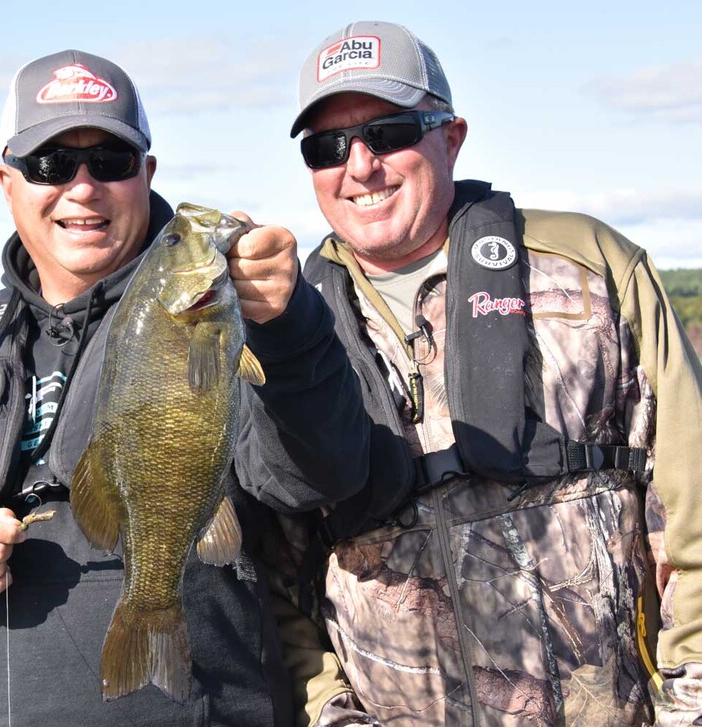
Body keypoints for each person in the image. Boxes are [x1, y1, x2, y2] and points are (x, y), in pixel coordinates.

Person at [0, 49, 369, 726]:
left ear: (146, 174)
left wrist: (289, 328)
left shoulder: (235, 317)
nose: (83, 188)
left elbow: (322, 474)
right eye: (51, 164)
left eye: (110, 163)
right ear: (7, 181)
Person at [281, 20, 702, 727]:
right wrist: (330, 714)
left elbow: (693, 496)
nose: (360, 166)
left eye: (388, 133)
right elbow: (271, 569)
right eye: (327, 147)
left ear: (451, 136)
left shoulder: (592, 264)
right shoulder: (283, 330)